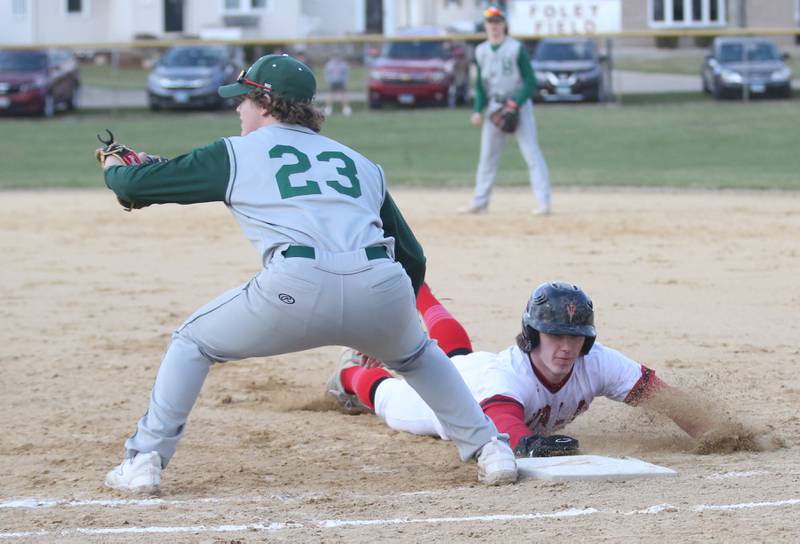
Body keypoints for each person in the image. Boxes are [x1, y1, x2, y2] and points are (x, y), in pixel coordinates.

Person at [99, 54, 517, 494]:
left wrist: (116, 167)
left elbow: (133, 187)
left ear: (265, 102)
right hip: (381, 282)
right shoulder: (358, 161)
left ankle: (144, 460)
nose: (237, 109)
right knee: (417, 356)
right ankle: (492, 449)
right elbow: (411, 257)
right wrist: (387, 325)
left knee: (192, 341)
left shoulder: (233, 152)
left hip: (295, 284)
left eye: (243, 99)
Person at [326, 281, 713, 457]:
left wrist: (713, 430)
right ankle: (346, 373)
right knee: (388, 397)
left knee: (457, 353)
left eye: (575, 337)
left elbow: (664, 398)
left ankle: (415, 284)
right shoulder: (509, 378)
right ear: (533, 334)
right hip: (451, 402)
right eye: (554, 335)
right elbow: (502, 423)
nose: (566, 346)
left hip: (475, 366)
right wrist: (529, 445)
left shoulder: (597, 362)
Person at [461, 5, 551, 216]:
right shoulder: (481, 50)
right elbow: (481, 86)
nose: (494, 26)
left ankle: (543, 202)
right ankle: (480, 202)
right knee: (487, 157)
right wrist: (477, 109)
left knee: (532, 154)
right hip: (494, 107)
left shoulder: (515, 48)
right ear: (485, 25)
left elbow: (530, 81)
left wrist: (516, 103)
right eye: (490, 22)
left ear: (504, 24)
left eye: (497, 21)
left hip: (519, 106)